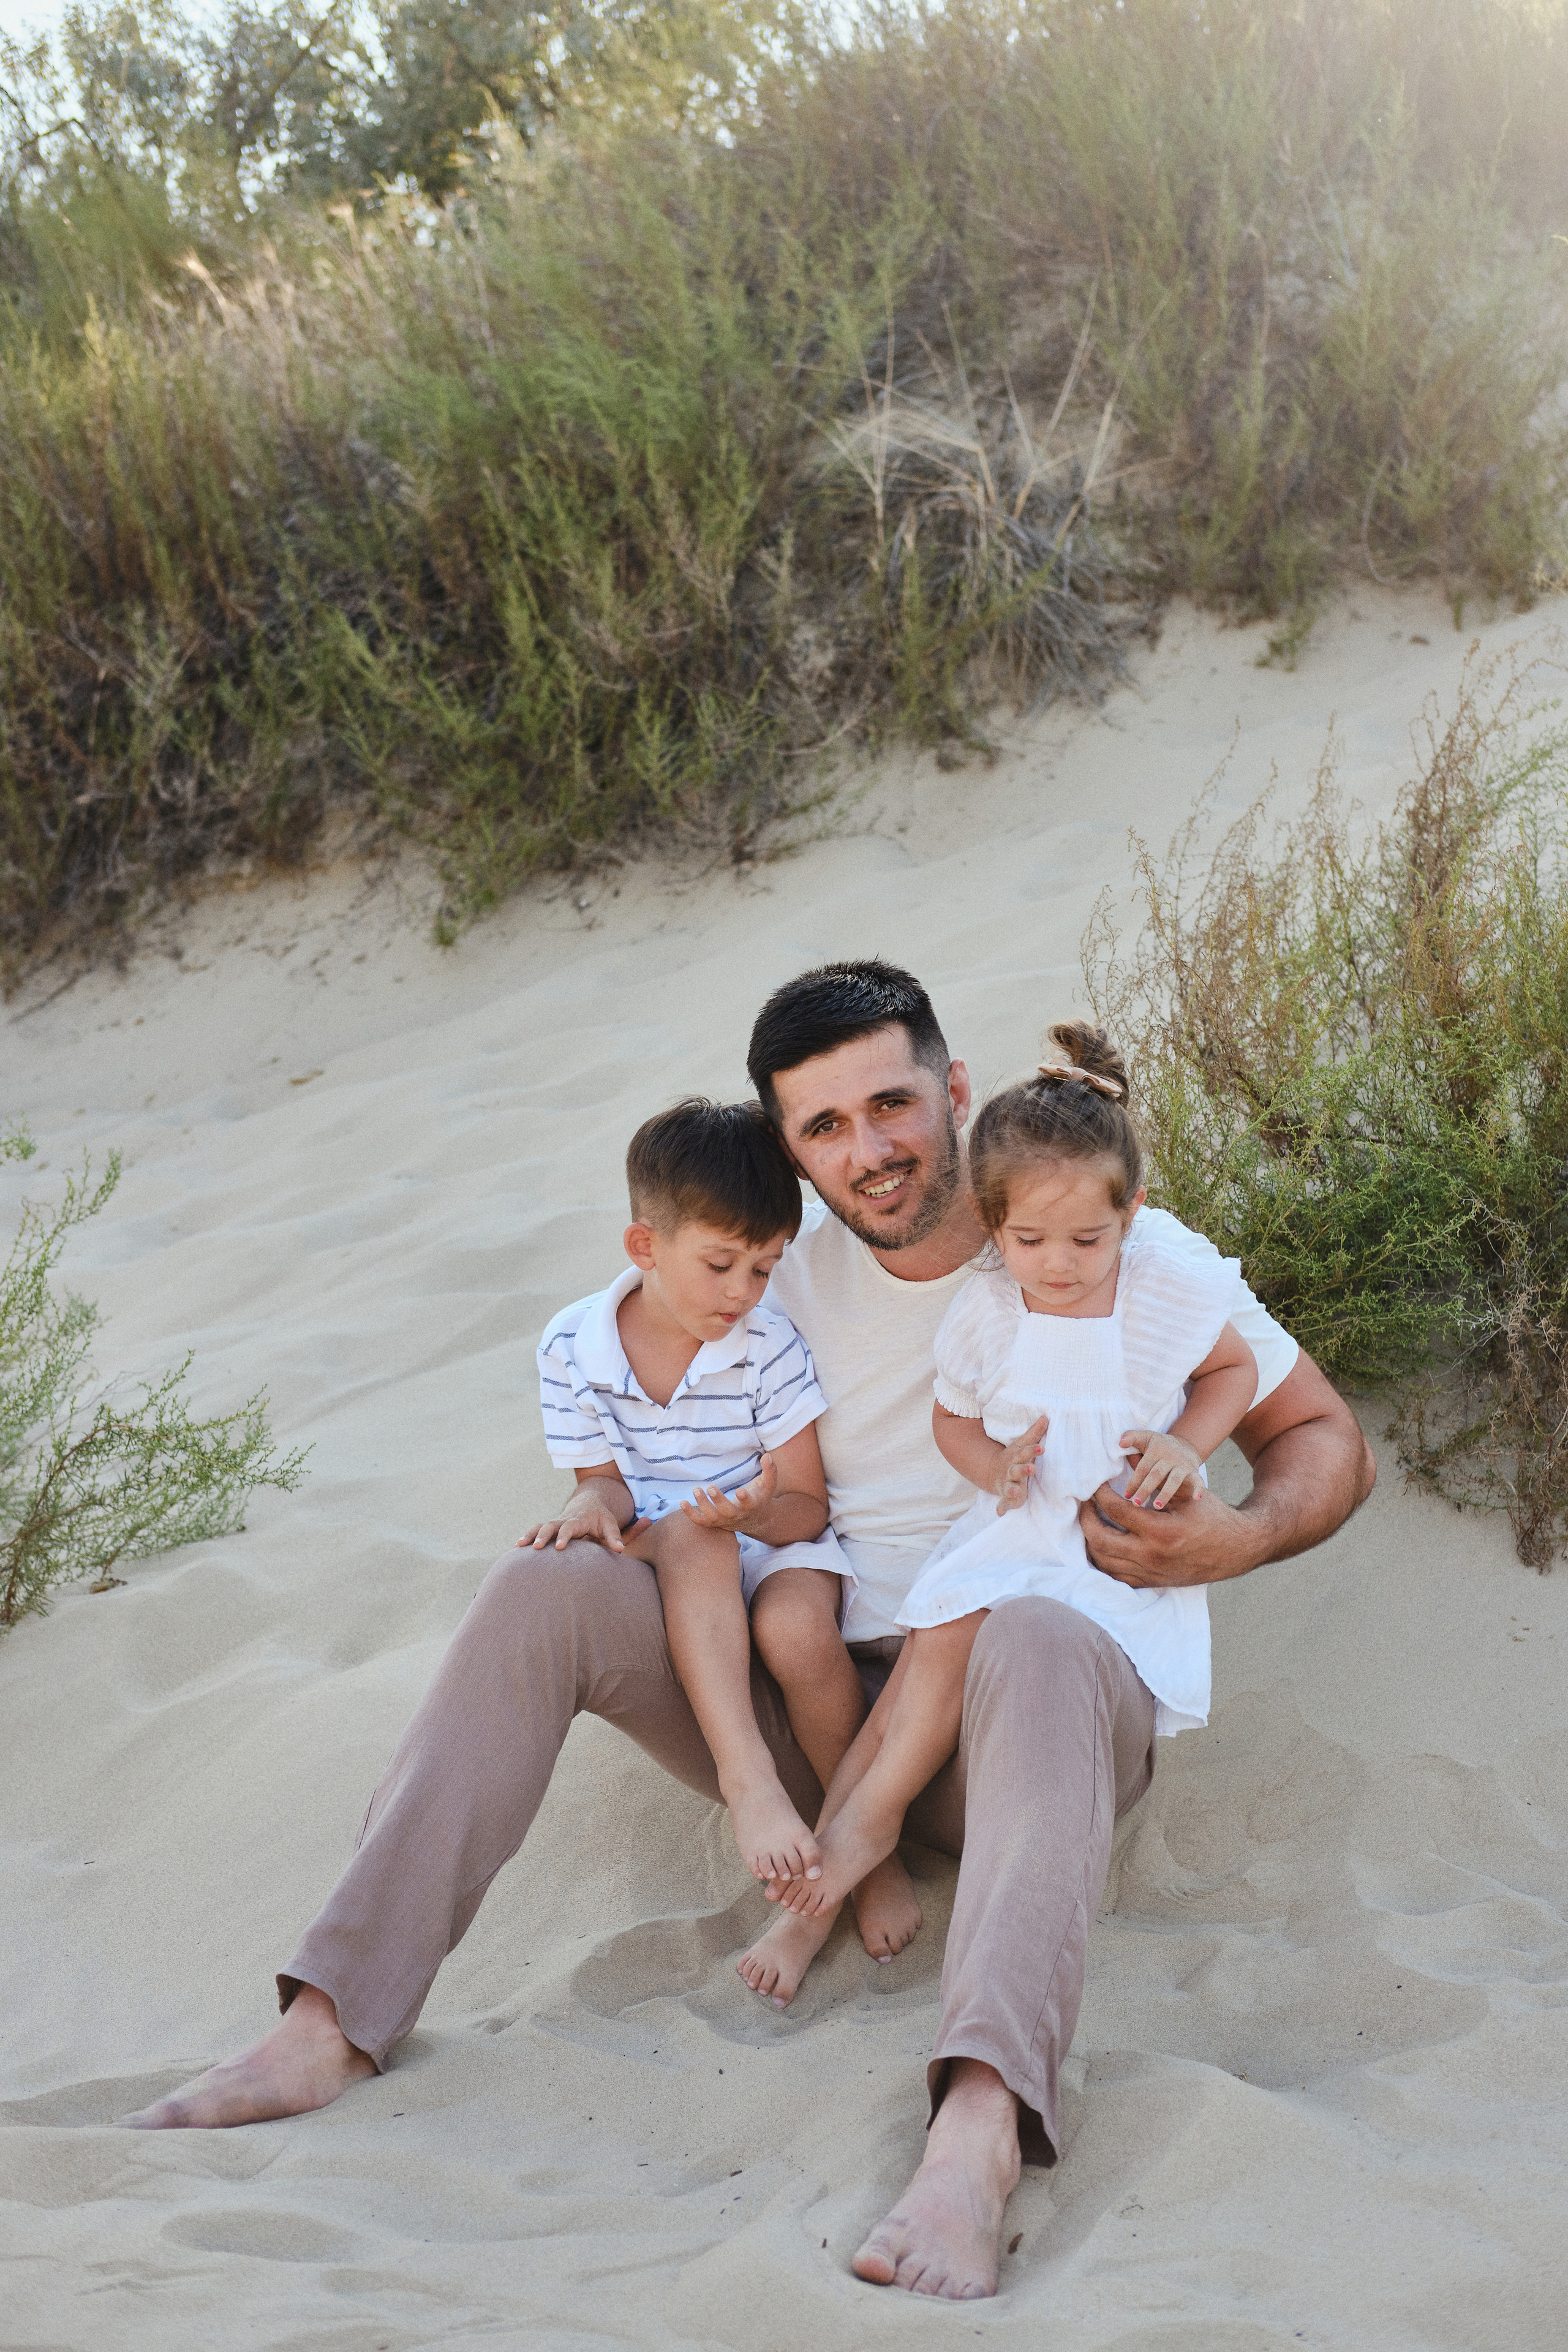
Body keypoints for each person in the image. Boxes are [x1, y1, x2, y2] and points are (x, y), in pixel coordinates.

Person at [126, 960, 1376, 2308]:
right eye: (822, 1127)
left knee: (1027, 1628)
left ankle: (979, 2129)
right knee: (541, 1586)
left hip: (1030, 1713)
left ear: (954, 1089)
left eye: (890, 1105)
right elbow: (632, 1412)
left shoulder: (1095, 1238)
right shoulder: (769, 1277)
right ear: (788, 1149)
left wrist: (1237, 1536)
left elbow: (1322, 1438)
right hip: (813, 1698)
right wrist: (609, 1501)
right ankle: (332, 2020)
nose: (869, 1151)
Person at [769, 1020, 1259, 1926]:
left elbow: (1235, 1370)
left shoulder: (1162, 1288)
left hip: (1103, 1559)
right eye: (1031, 1241)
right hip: (1021, 1525)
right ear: (994, 1228)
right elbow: (951, 1418)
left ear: (1131, 1213)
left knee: (1000, 1643)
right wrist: (995, 1467)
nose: (1059, 1265)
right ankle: (859, 1834)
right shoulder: (990, 1308)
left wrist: (1190, 1445)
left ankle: (872, 1834)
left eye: (1087, 1240)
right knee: (939, 1639)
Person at [522, 1096, 918, 1947]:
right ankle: (750, 1781)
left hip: (776, 1542)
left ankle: (866, 1851)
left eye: (765, 1270)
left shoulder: (767, 1345)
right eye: (720, 1264)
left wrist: (758, 1512)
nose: (743, 1292)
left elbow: (807, 1505)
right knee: (693, 1538)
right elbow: (606, 1484)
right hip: (673, 1555)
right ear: (645, 1247)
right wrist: (588, 1503)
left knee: (797, 1632)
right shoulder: (570, 1346)